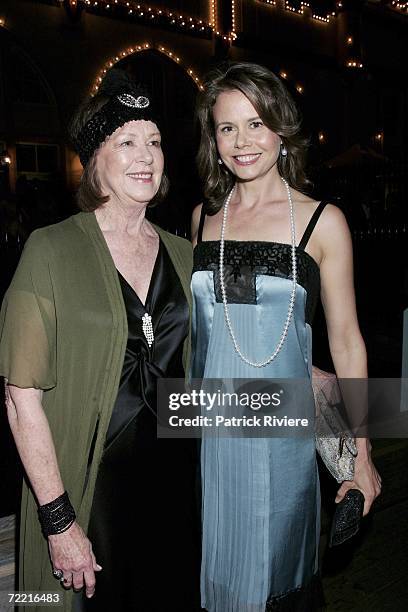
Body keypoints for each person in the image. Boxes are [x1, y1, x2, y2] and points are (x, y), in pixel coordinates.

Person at [0, 69, 200, 612]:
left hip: (179, 486)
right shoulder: (50, 250)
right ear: (96, 161)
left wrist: (349, 410)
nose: (146, 155)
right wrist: (59, 522)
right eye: (127, 141)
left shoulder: (184, 254)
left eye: (155, 142)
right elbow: (22, 401)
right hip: (92, 492)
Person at [191, 61, 381, 611]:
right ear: (214, 139)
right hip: (210, 438)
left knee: (279, 581)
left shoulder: (324, 222)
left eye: (256, 124)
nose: (242, 141)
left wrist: (361, 455)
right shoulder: (203, 218)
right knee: (216, 578)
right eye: (227, 127)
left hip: (282, 440)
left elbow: (347, 342)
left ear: (281, 130)